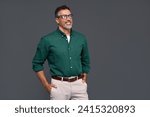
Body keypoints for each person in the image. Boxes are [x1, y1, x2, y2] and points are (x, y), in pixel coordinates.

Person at [32, 5, 90, 100]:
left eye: (70, 16)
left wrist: (84, 78)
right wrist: (46, 85)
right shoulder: (47, 40)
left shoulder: (81, 38)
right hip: (59, 86)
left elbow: (85, 60)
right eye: (64, 16)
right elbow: (36, 64)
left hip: (79, 86)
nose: (68, 19)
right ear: (57, 20)